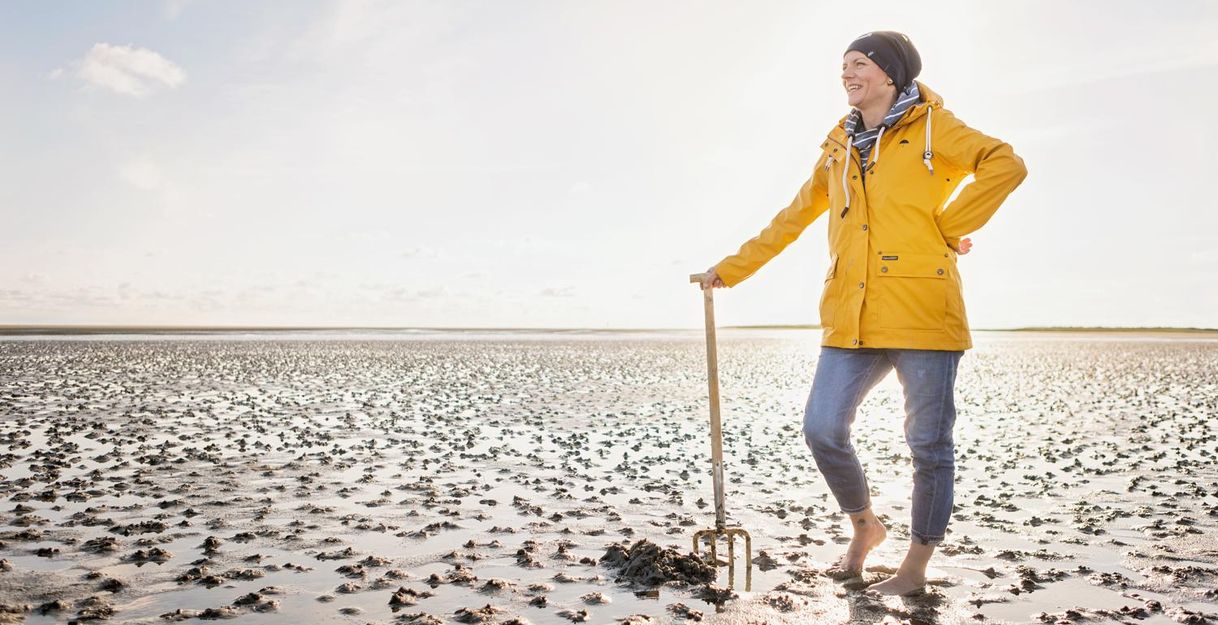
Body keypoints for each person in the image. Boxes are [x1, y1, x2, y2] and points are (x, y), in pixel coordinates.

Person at [701, 31, 1026, 596]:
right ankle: (865, 526)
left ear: (890, 74)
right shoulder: (839, 146)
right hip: (850, 315)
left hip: (924, 313)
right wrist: (732, 268)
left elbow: (1006, 163)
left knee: (928, 446)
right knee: (823, 428)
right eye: (844, 65)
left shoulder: (935, 127)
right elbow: (793, 216)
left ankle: (914, 568)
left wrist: (948, 226)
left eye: (858, 64)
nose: (847, 74)